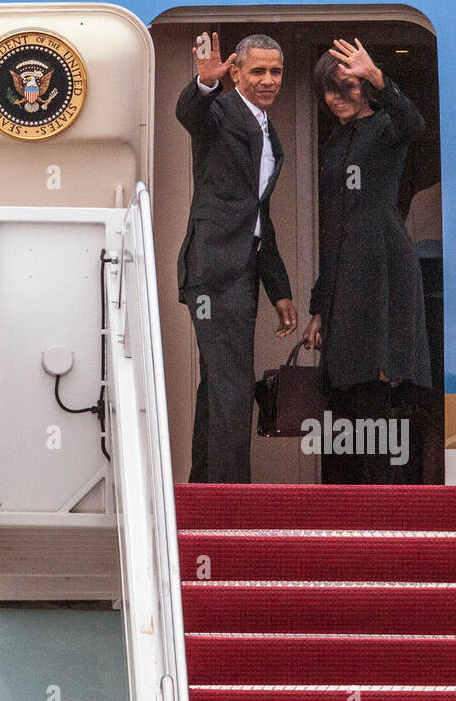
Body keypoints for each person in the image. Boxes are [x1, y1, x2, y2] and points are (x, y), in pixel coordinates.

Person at [302, 38, 432, 484]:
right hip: (343, 270)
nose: (338, 98)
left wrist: (378, 77)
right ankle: (351, 493)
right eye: (330, 89)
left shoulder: (386, 128)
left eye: (348, 87)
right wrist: (319, 305)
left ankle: (382, 494)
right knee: (343, 386)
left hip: (382, 261)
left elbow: (414, 124)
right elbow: (331, 225)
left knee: (379, 376)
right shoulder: (336, 144)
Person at [176, 31, 297, 483]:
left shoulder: (267, 126)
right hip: (214, 271)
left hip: (243, 272)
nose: (268, 80)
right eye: (258, 71)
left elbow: (258, 214)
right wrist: (205, 85)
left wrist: (278, 289)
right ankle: (230, 500)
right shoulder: (221, 110)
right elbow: (190, 114)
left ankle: (205, 489)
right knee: (232, 387)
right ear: (237, 72)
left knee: (219, 385)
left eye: (276, 71)